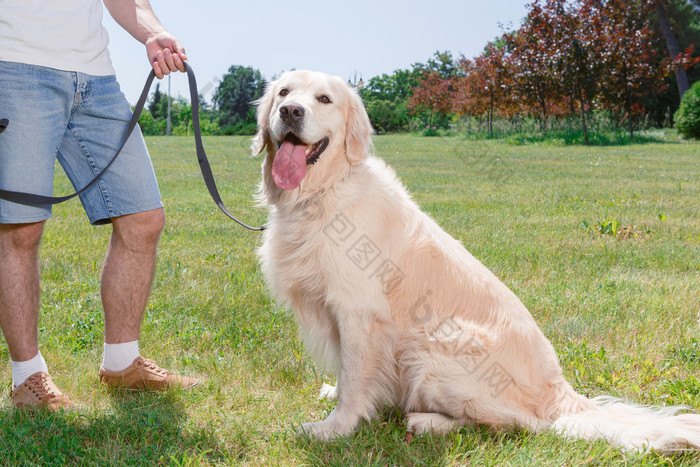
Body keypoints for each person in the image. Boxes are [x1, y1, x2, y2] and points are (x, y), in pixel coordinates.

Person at [0, 0, 199, 410]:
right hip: (13, 67)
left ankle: (122, 363)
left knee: (143, 217)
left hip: (96, 77)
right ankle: (27, 377)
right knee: (20, 227)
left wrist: (153, 32)